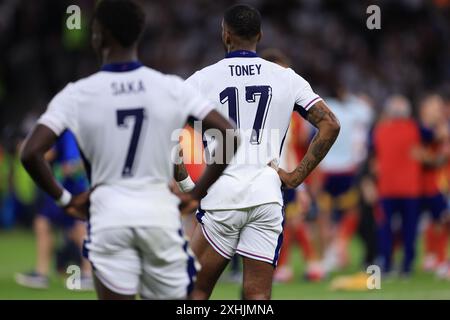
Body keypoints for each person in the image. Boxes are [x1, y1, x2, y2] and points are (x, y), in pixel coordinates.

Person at [20, 0, 236, 300]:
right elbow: (229, 134)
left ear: (99, 35)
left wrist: (65, 199)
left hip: (108, 216)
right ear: (138, 35)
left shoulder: (77, 94)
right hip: (159, 215)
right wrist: (196, 193)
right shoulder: (171, 87)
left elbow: (30, 152)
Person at [176, 4, 340, 300]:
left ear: (225, 35)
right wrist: (295, 177)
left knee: (195, 291)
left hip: (221, 193)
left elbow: (167, 133)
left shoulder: (201, 80)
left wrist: (188, 185)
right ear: (260, 36)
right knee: (257, 298)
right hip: (266, 193)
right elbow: (330, 124)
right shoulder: (286, 77)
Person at [15, 130, 92, 290]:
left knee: (62, 226)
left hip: (70, 185)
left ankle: (46, 273)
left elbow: (64, 159)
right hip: (71, 184)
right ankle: (85, 273)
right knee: (66, 226)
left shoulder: (65, 128)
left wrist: (27, 149)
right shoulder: (73, 126)